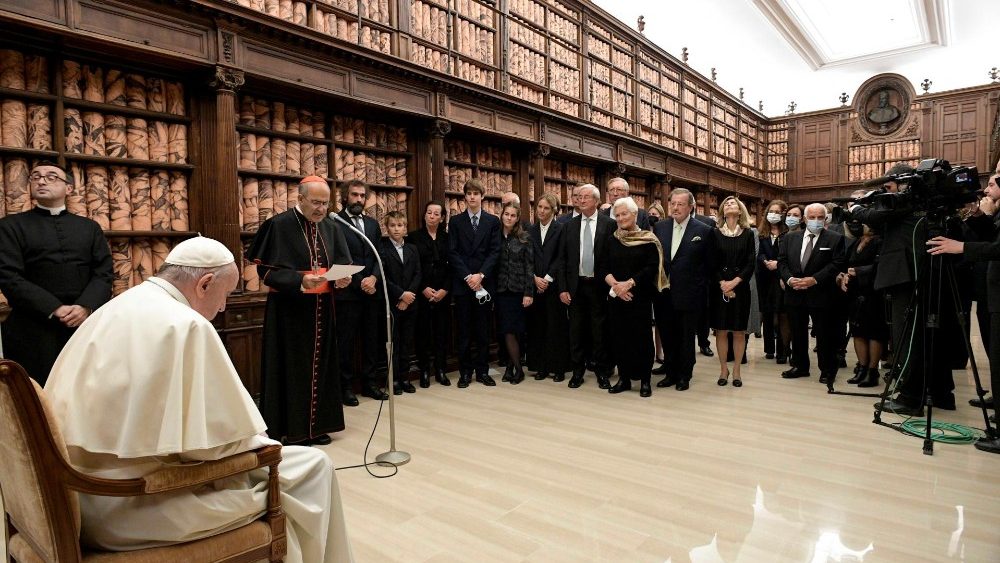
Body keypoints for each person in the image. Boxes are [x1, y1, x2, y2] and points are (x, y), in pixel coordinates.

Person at [44, 236, 354, 562]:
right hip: (136, 504)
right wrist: (262, 444)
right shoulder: (186, 325)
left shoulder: (118, 305)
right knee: (313, 467)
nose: (222, 307)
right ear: (205, 284)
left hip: (80, 497)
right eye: (226, 295)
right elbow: (221, 446)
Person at [247, 176, 352, 445]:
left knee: (323, 366)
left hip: (323, 310)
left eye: (325, 204)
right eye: (315, 203)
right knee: (293, 368)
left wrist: (341, 279)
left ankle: (317, 427)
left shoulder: (331, 225)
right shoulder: (278, 225)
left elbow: (341, 262)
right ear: (300, 198)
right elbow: (265, 271)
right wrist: (298, 280)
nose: (321, 209)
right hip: (290, 312)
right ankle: (294, 430)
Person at [852, 164, 957, 414]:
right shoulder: (927, 202)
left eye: (889, 188)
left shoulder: (906, 200)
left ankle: (909, 397)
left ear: (905, 184)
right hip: (925, 272)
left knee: (907, 337)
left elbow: (875, 217)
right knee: (932, 336)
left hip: (907, 274)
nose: (886, 194)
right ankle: (939, 392)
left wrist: (855, 208)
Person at [0, 162, 113, 384]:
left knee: (86, 388)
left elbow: (104, 272)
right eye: (36, 177)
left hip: (84, 324)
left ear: (68, 188)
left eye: (52, 177)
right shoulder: (9, 226)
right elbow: (8, 276)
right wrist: (54, 308)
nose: (42, 181)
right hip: (32, 326)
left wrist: (85, 307)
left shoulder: (89, 227)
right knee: (37, 397)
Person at [927, 173, 1000, 453]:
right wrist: (980, 216)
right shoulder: (990, 211)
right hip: (988, 291)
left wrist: (961, 247)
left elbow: (994, 246)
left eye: (993, 183)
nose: (987, 188)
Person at [602, 197, 666, 398]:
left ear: (635, 215)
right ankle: (625, 378)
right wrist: (616, 286)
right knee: (619, 338)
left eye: (624, 214)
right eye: (617, 215)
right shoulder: (612, 238)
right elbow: (603, 267)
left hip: (640, 296)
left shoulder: (648, 238)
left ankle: (645, 380)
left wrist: (628, 284)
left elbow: (651, 268)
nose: (620, 218)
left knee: (641, 339)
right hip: (616, 297)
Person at [653, 187, 714, 390]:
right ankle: (670, 372)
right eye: (672, 203)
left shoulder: (704, 230)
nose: (675, 207)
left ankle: (684, 375)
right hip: (664, 293)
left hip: (690, 294)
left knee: (686, 337)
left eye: (680, 204)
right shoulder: (660, 227)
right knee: (668, 334)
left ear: (690, 206)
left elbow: (709, 265)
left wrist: (699, 289)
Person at [778, 203, 846, 385]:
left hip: (821, 293)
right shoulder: (790, 238)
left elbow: (837, 263)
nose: (816, 221)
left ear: (825, 219)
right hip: (795, 292)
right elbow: (782, 262)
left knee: (824, 334)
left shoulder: (835, 238)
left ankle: (827, 370)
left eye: (820, 217)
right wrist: (790, 279)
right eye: (812, 217)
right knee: (797, 332)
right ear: (805, 219)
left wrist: (814, 280)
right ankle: (800, 366)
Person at [556, 183, 616, 389]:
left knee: (599, 331)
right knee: (576, 331)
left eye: (586, 197)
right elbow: (562, 260)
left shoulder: (609, 225)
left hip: (599, 286)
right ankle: (577, 372)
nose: (581, 200)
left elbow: (612, 258)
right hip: (575, 287)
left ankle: (602, 372)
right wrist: (562, 288)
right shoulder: (569, 226)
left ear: (597, 201)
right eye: (579, 197)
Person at [334, 179, 388, 404]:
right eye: (354, 195)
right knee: (345, 342)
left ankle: (370, 383)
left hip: (372, 291)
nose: (358, 199)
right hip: (348, 293)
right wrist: (360, 281)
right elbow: (337, 256)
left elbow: (379, 254)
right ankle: (345, 387)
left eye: (362, 196)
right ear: (346, 196)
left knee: (371, 340)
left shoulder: (373, 224)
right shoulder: (336, 222)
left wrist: (374, 277)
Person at [449, 178, 501, 387]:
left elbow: (495, 251)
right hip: (463, 284)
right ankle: (465, 373)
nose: (472, 197)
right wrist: (468, 277)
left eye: (475, 194)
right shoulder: (455, 221)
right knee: (463, 331)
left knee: (482, 331)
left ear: (482, 196)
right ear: (465, 197)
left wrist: (481, 275)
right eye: (468, 194)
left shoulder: (492, 221)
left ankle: (482, 371)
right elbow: (452, 252)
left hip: (484, 283)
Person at [710, 196, 756, 387]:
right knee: (720, 331)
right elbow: (711, 262)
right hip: (719, 286)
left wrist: (734, 283)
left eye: (733, 204)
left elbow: (750, 262)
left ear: (740, 211)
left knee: (738, 331)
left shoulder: (748, 233)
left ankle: (736, 370)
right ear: (722, 211)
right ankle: (723, 369)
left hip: (741, 288)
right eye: (726, 204)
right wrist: (723, 283)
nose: (729, 205)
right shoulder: (714, 233)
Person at [408, 200, 452, 387]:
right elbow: (412, 267)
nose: (432, 216)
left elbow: (453, 266)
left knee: (442, 333)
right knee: (423, 333)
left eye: (436, 214)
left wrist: (444, 290)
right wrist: (423, 288)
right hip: (422, 291)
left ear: (442, 218)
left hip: (443, 292)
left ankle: (441, 369)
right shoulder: (413, 237)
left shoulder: (448, 238)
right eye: (429, 213)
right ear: (424, 215)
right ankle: (424, 370)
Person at [527, 192, 569, 381]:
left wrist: (548, 278)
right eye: (539, 207)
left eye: (546, 208)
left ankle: (558, 368)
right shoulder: (531, 230)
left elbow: (561, 257)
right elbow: (528, 258)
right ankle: (541, 366)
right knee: (538, 328)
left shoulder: (561, 229)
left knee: (556, 328)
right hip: (536, 285)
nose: (542, 211)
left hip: (554, 286)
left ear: (554, 211)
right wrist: (535, 278)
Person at [838, 222, 886, 387]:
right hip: (855, 293)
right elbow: (846, 264)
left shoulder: (881, 241)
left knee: (874, 332)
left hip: (874, 292)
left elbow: (882, 265)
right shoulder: (856, 242)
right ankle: (862, 368)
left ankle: (872, 372)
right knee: (857, 331)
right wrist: (843, 275)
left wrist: (858, 271)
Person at [379, 211, 421, 395]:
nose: (397, 229)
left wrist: (409, 295)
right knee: (393, 342)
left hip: (411, 303)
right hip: (393, 303)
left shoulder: (413, 248)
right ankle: (393, 379)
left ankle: (405, 378)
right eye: (393, 226)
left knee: (407, 342)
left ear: (405, 228)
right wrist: (401, 295)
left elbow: (418, 274)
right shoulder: (382, 248)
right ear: (387, 228)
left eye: (400, 225)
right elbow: (383, 277)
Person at [495, 202, 534, 384]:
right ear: (501, 215)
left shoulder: (524, 237)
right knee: (506, 330)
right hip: (502, 290)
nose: (508, 218)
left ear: (517, 218)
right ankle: (513, 367)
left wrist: (529, 292)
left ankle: (517, 369)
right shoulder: (495, 237)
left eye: (512, 215)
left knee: (516, 330)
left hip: (519, 291)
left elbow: (529, 267)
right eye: (506, 214)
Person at [757, 199, 791, 363]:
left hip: (781, 277)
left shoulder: (788, 233)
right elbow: (759, 252)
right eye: (772, 211)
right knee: (767, 314)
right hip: (764, 277)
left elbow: (789, 254)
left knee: (782, 315)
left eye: (778, 212)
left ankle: (783, 350)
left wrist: (777, 264)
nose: (774, 215)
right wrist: (765, 262)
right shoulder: (761, 233)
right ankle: (769, 349)